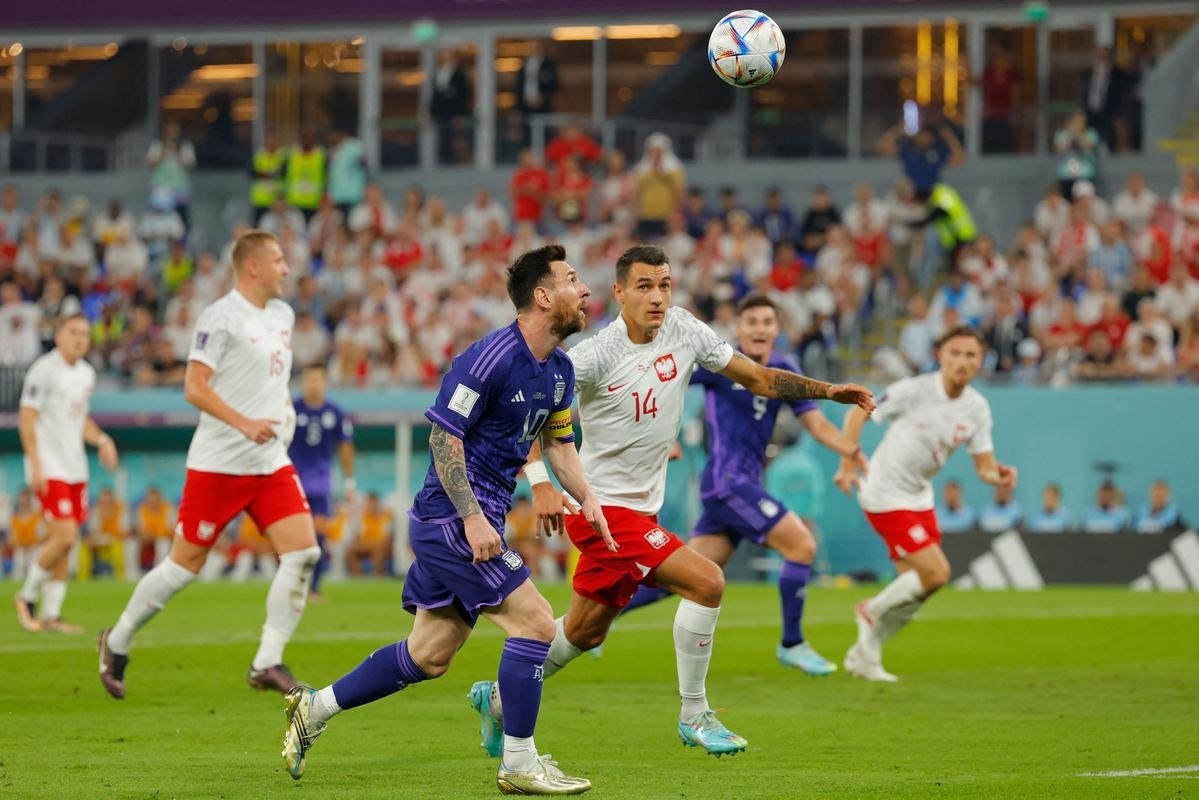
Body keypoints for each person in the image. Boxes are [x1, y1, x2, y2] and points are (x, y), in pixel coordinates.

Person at [473, 244, 873, 756]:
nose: (657, 297)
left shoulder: (686, 330)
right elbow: (531, 408)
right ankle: (695, 714)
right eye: (644, 286)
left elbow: (759, 378)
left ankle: (499, 700)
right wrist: (541, 480)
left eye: (664, 284)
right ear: (618, 292)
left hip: (642, 509)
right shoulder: (592, 356)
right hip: (599, 510)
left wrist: (828, 390)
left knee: (584, 631)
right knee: (708, 581)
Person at [279, 245, 610, 794]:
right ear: (544, 296)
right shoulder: (488, 358)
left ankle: (313, 710)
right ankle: (520, 762)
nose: (587, 290)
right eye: (574, 280)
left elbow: (559, 444)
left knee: (429, 654)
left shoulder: (560, 370)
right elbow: (442, 435)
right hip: (451, 520)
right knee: (534, 621)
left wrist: (588, 498)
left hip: (473, 519)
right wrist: (474, 519)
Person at [98, 230, 321, 700]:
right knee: (184, 567)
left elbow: (274, 379)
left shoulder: (283, 314)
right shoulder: (220, 317)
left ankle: (267, 660)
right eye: (279, 259)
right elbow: (194, 387)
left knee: (303, 553)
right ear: (254, 267)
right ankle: (116, 640)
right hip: (219, 463)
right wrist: (244, 423)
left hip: (269, 461)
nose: (287, 268)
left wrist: (285, 413)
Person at [615, 293, 869, 674]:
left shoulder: (785, 368)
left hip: (740, 487)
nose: (760, 329)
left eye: (767, 322)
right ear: (739, 329)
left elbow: (816, 425)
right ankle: (793, 644)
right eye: (752, 322)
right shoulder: (722, 362)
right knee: (801, 546)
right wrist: (663, 437)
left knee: (681, 578)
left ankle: (601, 614)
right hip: (727, 484)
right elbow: (668, 383)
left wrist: (850, 449)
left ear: (777, 330)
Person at [835, 325, 1017, 682]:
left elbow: (984, 467)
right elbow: (856, 413)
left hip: (920, 497)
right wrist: (846, 464)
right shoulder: (914, 390)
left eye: (970, 355)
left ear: (980, 361)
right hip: (884, 493)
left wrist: (1001, 475)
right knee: (936, 573)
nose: (962, 361)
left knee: (913, 592)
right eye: (955, 353)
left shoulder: (977, 408)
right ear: (941, 356)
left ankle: (864, 654)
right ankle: (868, 612)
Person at [15, 314, 120, 633]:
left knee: (66, 543)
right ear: (58, 336)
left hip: (76, 468)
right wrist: (35, 464)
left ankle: (51, 614)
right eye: (73, 332)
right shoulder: (44, 370)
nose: (80, 339)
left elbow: (81, 420)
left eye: (85, 334)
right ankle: (26, 596)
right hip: (49, 466)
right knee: (65, 536)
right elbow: (27, 418)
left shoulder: (87, 373)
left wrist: (102, 439)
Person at [288, 364, 355, 600]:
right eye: (309, 380)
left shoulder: (335, 412)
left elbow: (345, 448)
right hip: (292, 482)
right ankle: (291, 586)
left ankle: (313, 588)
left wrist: (349, 482)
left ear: (325, 383)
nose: (314, 384)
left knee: (318, 536)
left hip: (321, 483)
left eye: (318, 379)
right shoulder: (291, 409)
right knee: (292, 537)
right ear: (302, 383)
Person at [146, 121, 196, 226]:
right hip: (160, 190)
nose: (172, 133)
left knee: (181, 221)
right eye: (169, 131)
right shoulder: (157, 145)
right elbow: (151, 166)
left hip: (179, 190)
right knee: (158, 221)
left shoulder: (185, 146)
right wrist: (164, 150)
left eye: (174, 131)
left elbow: (189, 167)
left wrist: (177, 151)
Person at [1054, 110, 1101, 201]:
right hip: (1066, 175)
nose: (1079, 123)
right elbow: (1060, 149)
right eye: (1076, 120)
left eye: (1081, 121)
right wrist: (1070, 134)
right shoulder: (1062, 134)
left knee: (1085, 203)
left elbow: (1088, 146)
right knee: (1066, 204)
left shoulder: (1091, 133)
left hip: (1085, 174)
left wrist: (1078, 134)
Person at [284, 127, 326, 222]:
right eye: (305, 137)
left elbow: (326, 178)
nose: (307, 139)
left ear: (314, 139)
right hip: (295, 202)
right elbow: (284, 176)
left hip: (314, 203)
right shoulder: (291, 155)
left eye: (310, 137)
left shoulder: (320, 156)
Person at [347, 492, 391, 577]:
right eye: (369, 504)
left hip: (380, 546)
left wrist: (371, 544)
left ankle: (378, 575)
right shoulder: (362, 518)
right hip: (365, 545)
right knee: (351, 550)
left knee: (378, 547)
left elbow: (387, 539)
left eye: (374, 505)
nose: (371, 507)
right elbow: (357, 537)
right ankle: (358, 576)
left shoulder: (385, 518)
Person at [327, 128, 367, 222]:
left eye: (333, 135)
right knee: (340, 223)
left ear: (341, 134)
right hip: (337, 196)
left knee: (352, 222)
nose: (332, 138)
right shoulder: (333, 150)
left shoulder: (355, 146)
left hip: (352, 194)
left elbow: (364, 163)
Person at [250, 130, 288, 225]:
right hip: (261, 200)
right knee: (260, 228)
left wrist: (265, 173)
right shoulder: (259, 155)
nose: (270, 142)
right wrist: (272, 174)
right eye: (268, 140)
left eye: (272, 140)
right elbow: (254, 172)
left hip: (277, 200)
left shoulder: (282, 155)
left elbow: (282, 172)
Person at [515, 41, 560, 119]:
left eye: (536, 47)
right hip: (525, 106)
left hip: (543, 106)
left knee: (543, 126)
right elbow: (519, 84)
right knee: (527, 127)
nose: (534, 49)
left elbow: (554, 85)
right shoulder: (524, 64)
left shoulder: (548, 64)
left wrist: (543, 97)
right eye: (531, 47)